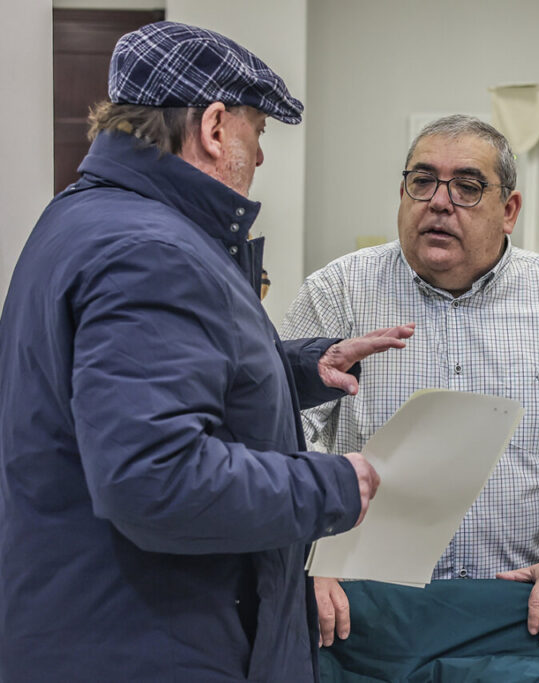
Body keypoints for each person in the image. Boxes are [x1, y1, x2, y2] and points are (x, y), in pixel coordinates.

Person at [0, 21, 414, 682]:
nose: (261, 156)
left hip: (90, 627)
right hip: (155, 647)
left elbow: (164, 380)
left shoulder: (80, 218)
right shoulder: (152, 252)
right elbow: (154, 476)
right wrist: (336, 484)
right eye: (260, 132)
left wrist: (305, 366)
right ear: (216, 126)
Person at [282, 114, 539, 651]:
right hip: (369, 607)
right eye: (423, 181)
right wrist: (307, 557)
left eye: (468, 187)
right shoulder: (337, 293)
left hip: (529, 605)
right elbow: (287, 436)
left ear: (510, 210)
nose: (438, 201)